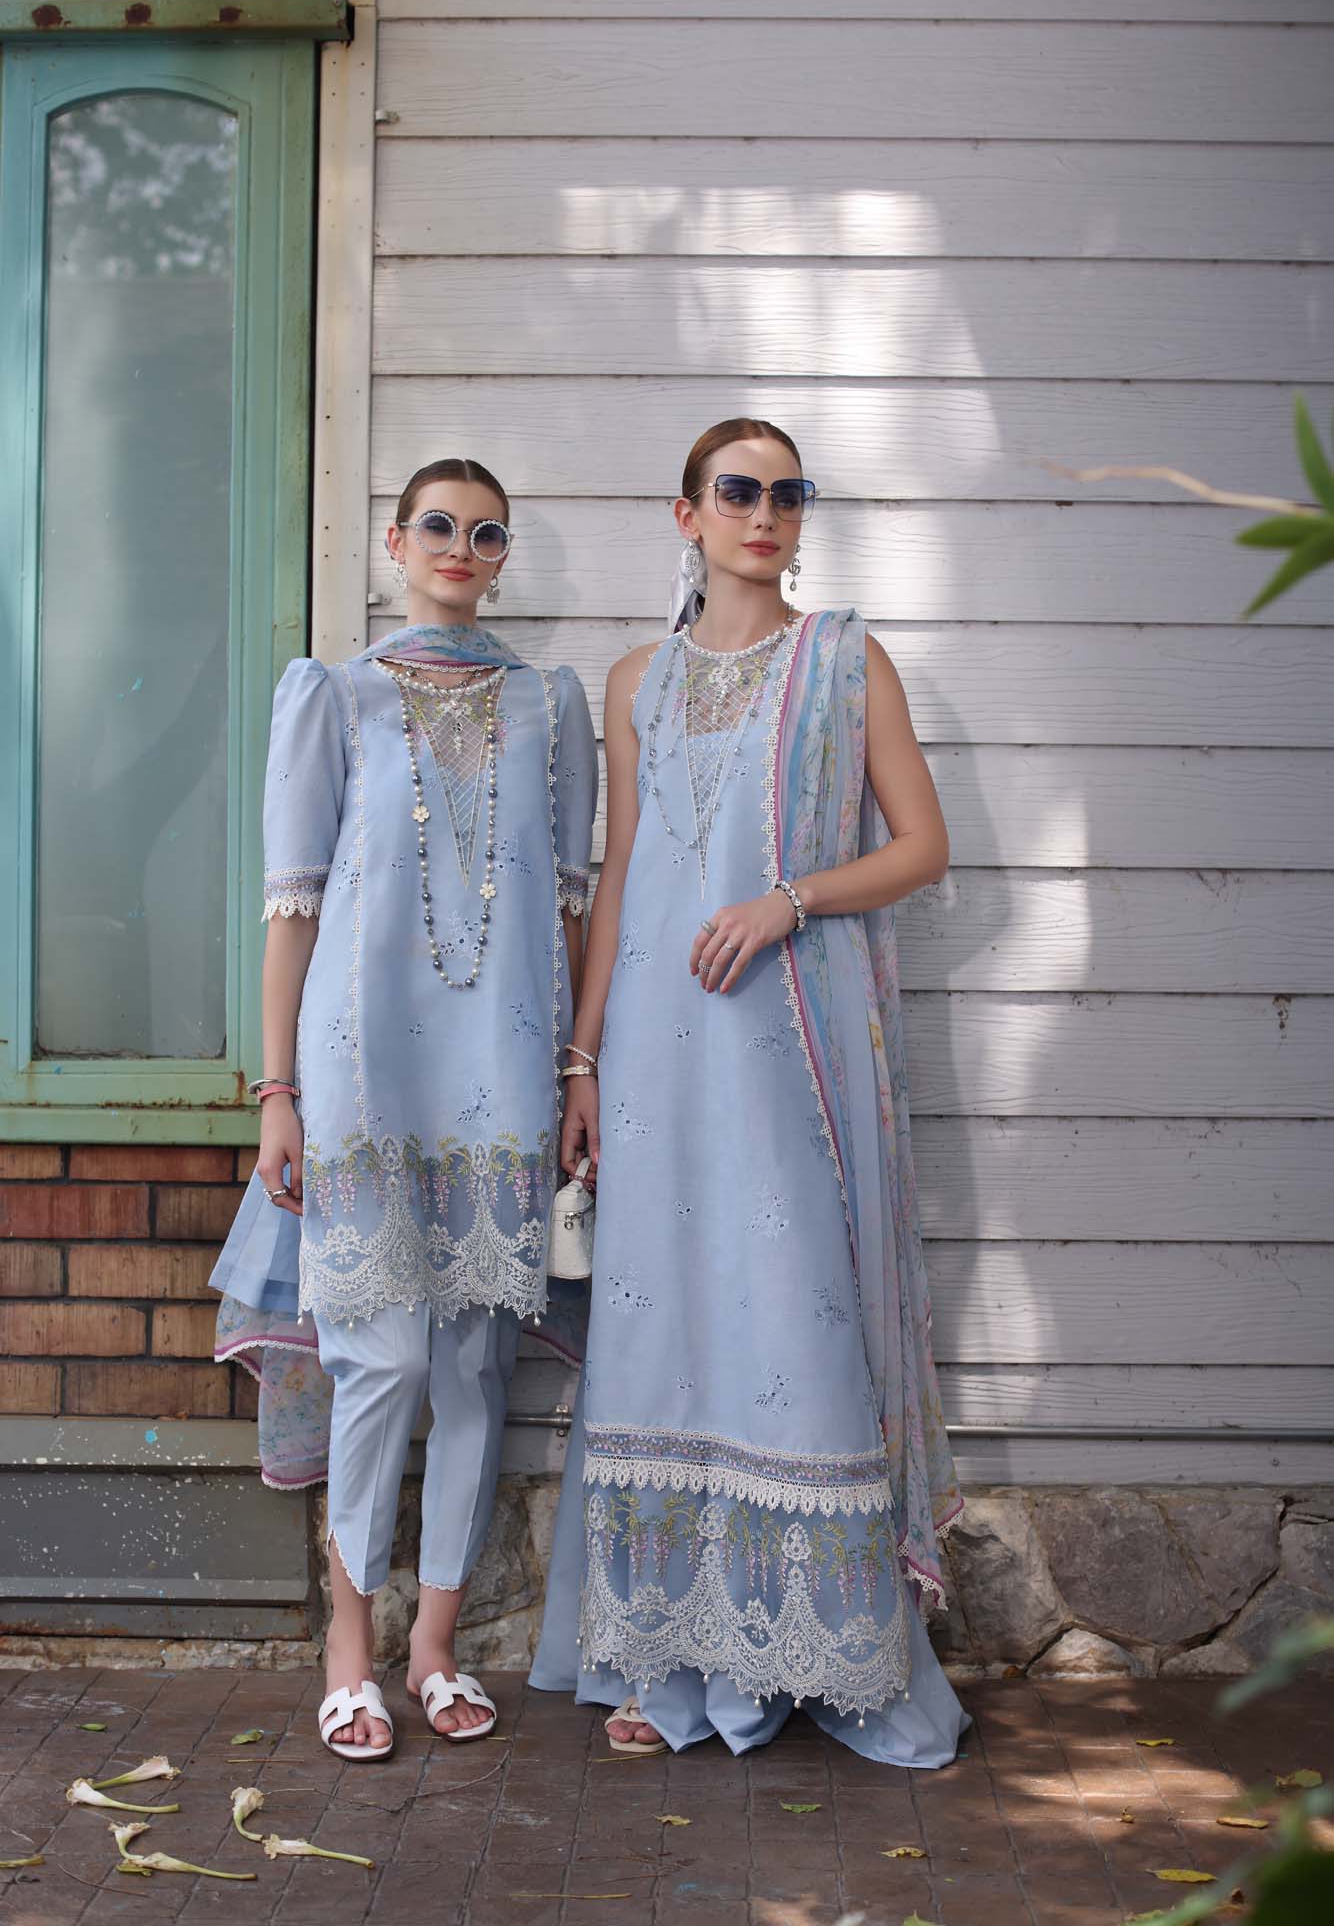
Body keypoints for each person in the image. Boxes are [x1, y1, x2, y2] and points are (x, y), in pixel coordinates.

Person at [530, 419, 970, 1765]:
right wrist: (583, 1060)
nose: (764, 513)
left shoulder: (844, 660)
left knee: (789, 1312)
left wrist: (791, 900)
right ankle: (668, 1656)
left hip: (791, 1044)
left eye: (788, 493)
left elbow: (922, 847)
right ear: (688, 514)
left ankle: (814, 1652)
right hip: (656, 1056)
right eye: (738, 491)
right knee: (666, 1323)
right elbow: (621, 877)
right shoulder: (637, 682)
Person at [210, 458, 597, 1757]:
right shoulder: (332, 696)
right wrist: (278, 1092)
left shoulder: (549, 707)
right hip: (361, 1069)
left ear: (501, 558)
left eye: (486, 533)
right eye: (437, 525)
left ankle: (434, 1648)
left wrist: (577, 1073)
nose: (459, 548)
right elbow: (293, 908)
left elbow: (568, 909)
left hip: (504, 1073)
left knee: (475, 1368)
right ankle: (350, 1646)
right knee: (378, 1363)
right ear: (394, 542)